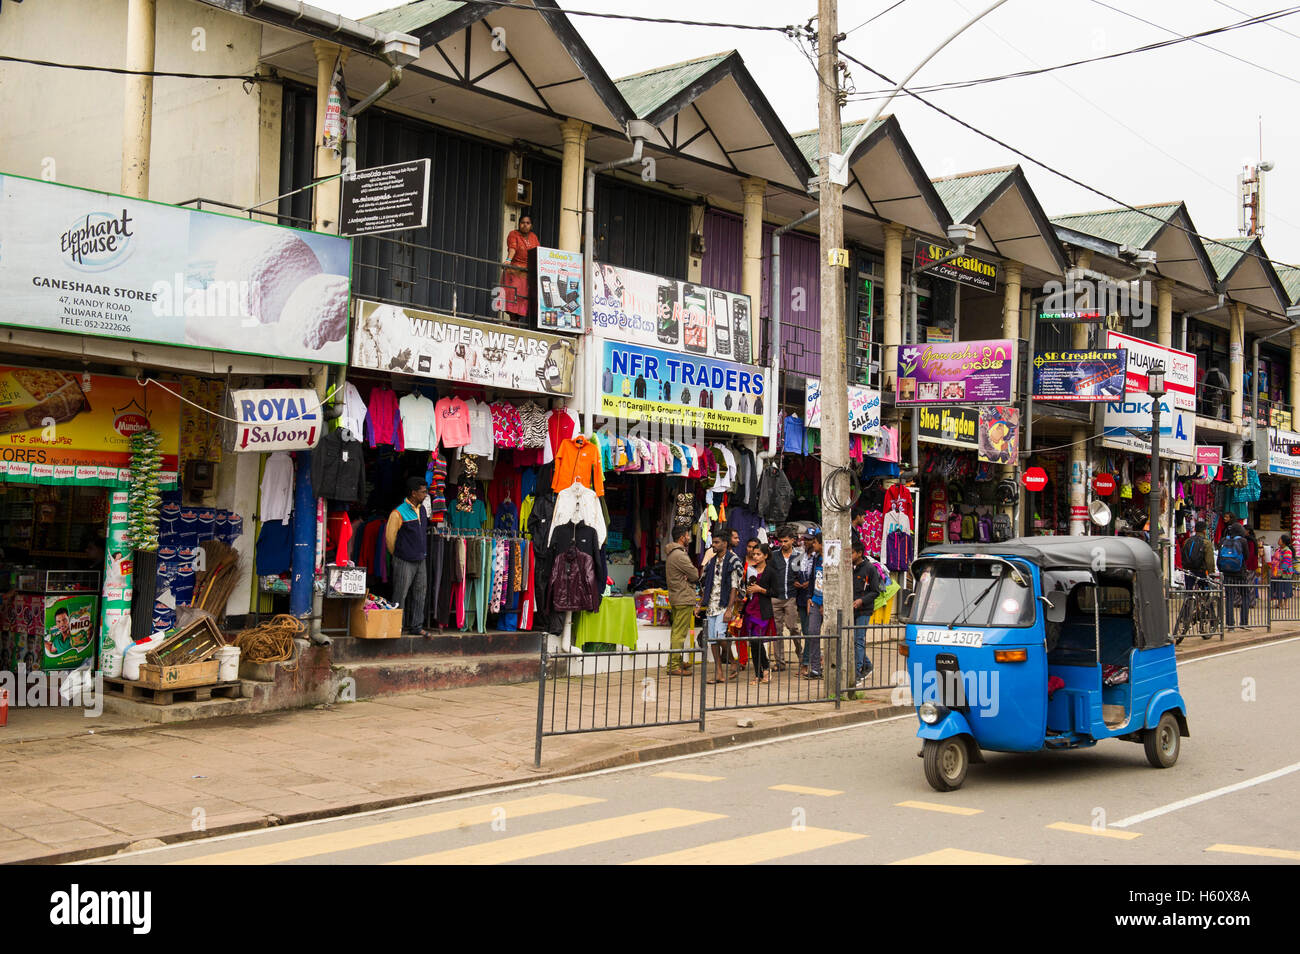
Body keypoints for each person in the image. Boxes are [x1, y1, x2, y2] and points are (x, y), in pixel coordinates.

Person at [387, 478, 433, 637]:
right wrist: (399, 554)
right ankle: (396, 626)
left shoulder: (422, 510)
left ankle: (416, 626)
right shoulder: (398, 512)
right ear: (413, 493)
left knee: (420, 593)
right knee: (400, 594)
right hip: (404, 560)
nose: (426, 494)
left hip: (420, 559)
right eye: (423, 492)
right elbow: (390, 539)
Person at [699, 529, 743, 683]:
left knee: (719, 635)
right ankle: (719, 672)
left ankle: (733, 661)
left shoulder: (732, 560)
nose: (713, 545)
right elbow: (706, 585)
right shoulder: (711, 561)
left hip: (724, 605)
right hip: (711, 605)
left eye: (717, 542)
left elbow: (734, 587)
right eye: (713, 542)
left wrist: (730, 609)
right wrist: (700, 604)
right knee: (712, 640)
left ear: (725, 543)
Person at [664, 525, 699, 675]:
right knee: (679, 633)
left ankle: (676, 661)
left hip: (677, 596)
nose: (690, 538)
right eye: (688, 535)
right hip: (683, 597)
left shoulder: (673, 554)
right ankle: (673, 666)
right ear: (682, 537)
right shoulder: (680, 555)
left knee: (676, 631)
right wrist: (690, 576)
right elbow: (695, 574)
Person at [767, 527, 803, 670]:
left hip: (791, 597)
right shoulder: (774, 556)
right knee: (776, 630)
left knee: (793, 627)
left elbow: (802, 574)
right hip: (776, 597)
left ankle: (801, 656)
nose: (783, 544)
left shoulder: (799, 556)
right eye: (781, 541)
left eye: (786, 541)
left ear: (793, 540)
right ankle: (779, 662)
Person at [743, 543, 776, 684]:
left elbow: (775, 592)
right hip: (750, 608)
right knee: (753, 642)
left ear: (765, 556)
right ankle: (758, 674)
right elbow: (746, 588)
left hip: (762, 610)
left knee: (757, 640)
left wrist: (760, 589)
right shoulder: (750, 570)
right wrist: (748, 590)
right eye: (754, 554)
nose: (755, 557)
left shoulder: (771, 571)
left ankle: (766, 669)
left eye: (758, 554)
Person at [851, 540, 882, 687]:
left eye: (852, 552)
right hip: (851, 610)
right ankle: (867, 665)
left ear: (859, 553)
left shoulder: (870, 569)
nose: (849, 555)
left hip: (864, 610)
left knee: (859, 639)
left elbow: (875, 591)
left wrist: (861, 601)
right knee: (854, 640)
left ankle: (857, 673)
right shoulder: (849, 568)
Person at [502, 214, 540, 320]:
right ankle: (513, 322)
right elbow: (512, 248)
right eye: (523, 223)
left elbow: (537, 252)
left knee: (523, 299)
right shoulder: (513, 234)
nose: (525, 225)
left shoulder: (533, 237)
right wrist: (508, 260)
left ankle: (515, 322)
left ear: (531, 225)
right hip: (514, 271)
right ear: (519, 224)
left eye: (528, 223)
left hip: (527, 273)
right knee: (513, 297)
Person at [1218, 516, 1251, 629]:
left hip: (1227, 573)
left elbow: (1219, 556)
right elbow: (1246, 556)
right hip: (1240, 573)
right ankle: (1244, 622)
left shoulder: (1223, 540)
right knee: (1245, 595)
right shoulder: (1243, 541)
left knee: (1229, 597)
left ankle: (1230, 624)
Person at [803, 529, 825, 679]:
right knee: (812, 632)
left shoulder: (831, 559)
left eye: (816, 542)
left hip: (827, 603)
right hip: (815, 601)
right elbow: (812, 578)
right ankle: (815, 667)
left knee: (833, 635)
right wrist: (809, 596)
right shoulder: (816, 558)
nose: (813, 544)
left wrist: (826, 602)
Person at [1181, 520, 1214, 588]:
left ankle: (1189, 598)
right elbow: (1209, 561)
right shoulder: (1206, 543)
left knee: (1189, 591)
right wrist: (1211, 573)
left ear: (1195, 530)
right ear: (1204, 531)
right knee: (1204, 592)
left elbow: (1183, 555)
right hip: (1201, 571)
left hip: (1188, 571)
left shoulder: (1187, 541)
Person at [1271, 533, 1294, 608]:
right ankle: (1279, 603)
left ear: (1283, 542)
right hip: (1277, 571)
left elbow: (1286, 563)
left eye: (1280, 539)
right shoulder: (1279, 549)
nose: (1278, 540)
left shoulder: (1287, 551)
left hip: (1285, 573)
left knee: (1285, 588)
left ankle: (1286, 604)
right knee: (1279, 587)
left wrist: (1280, 572)